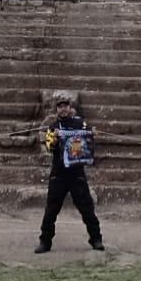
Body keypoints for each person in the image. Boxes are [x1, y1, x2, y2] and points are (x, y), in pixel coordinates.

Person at [34, 95, 104, 253]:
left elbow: (88, 138)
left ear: (70, 108)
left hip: (76, 172)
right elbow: (49, 145)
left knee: (87, 207)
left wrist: (92, 134)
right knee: (51, 208)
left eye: (66, 106)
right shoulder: (53, 127)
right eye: (60, 106)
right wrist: (55, 138)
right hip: (59, 173)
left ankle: (96, 239)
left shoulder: (80, 123)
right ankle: (45, 241)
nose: (63, 109)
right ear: (57, 109)